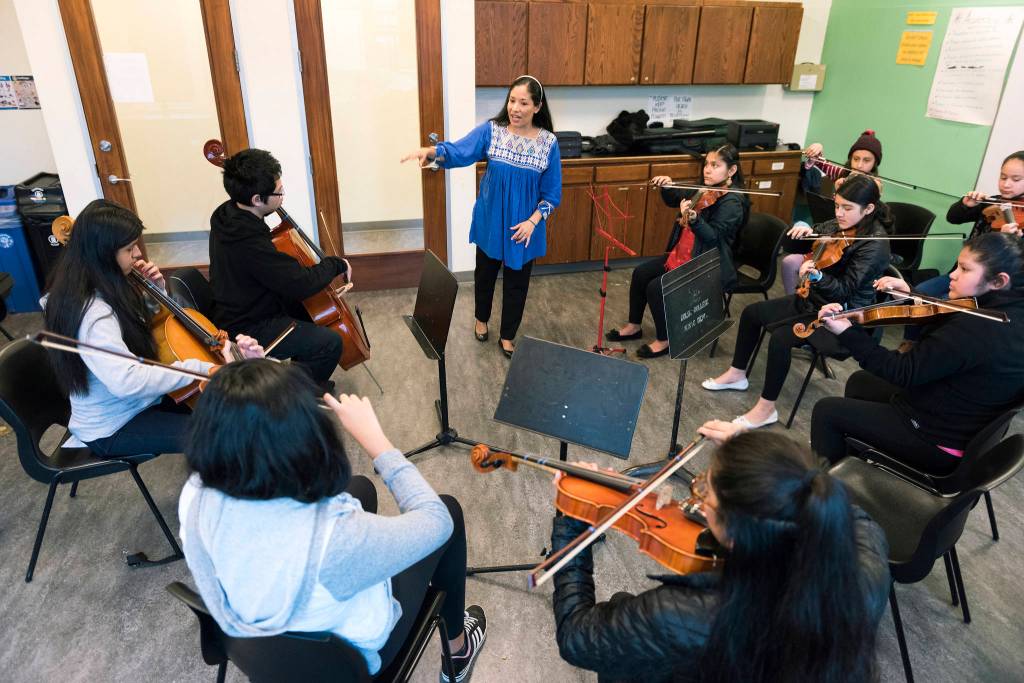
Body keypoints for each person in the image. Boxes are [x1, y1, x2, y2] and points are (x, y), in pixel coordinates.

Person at [179, 360, 487, 682]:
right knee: (449, 510)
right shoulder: (338, 540)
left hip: (259, 646)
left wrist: (249, 374)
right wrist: (377, 442)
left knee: (361, 488)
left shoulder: (196, 494)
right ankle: (458, 650)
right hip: (352, 662)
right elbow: (436, 522)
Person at [549, 420, 890, 683]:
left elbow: (576, 637)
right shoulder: (864, 571)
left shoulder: (680, 614)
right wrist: (763, 461)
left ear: (736, 534)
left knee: (621, 610)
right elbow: (837, 504)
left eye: (704, 493)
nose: (696, 497)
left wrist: (573, 518)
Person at [42, 199, 262, 457]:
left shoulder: (99, 284)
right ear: (102, 255)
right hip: (114, 424)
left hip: (138, 402)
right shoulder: (91, 313)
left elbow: (136, 333)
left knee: (233, 409)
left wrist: (154, 292)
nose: (137, 254)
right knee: (227, 434)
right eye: (129, 248)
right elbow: (128, 380)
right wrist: (202, 368)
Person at [812, 232, 1024, 476]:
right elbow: (947, 326)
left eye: (965, 269)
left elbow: (903, 372)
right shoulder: (1007, 308)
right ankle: (855, 462)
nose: (953, 275)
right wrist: (913, 295)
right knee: (862, 383)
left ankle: (824, 500)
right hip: (959, 413)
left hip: (935, 439)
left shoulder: (979, 329)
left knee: (827, 411)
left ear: (999, 281)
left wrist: (847, 332)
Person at [703, 175, 892, 429]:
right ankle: (738, 374)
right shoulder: (841, 224)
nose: (839, 213)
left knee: (781, 338)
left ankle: (766, 409)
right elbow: (807, 237)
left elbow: (845, 291)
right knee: (751, 313)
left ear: (868, 209)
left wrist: (817, 275)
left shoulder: (875, 245)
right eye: (837, 205)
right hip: (813, 301)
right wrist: (801, 229)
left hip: (842, 318)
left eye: (847, 208)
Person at [402, 75, 561, 358]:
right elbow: (461, 150)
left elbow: (552, 195)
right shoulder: (492, 131)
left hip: (523, 229)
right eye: (512, 100)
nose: (515, 108)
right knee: (485, 276)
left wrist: (532, 222)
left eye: (524, 103)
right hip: (491, 221)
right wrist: (432, 151)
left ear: (537, 107)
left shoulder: (549, 143)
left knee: (517, 284)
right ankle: (481, 318)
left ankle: (508, 335)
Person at [209, 148, 350, 389]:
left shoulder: (227, 213)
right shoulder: (247, 240)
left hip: (245, 302)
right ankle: (293, 394)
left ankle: (296, 369)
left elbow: (281, 274)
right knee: (330, 342)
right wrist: (337, 264)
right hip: (249, 324)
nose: (282, 196)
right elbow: (299, 284)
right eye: (279, 192)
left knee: (314, 313)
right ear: (256, 199)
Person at [606, 145, 750, 359]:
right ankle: (633, 326)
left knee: (657, 287)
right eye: (707, 164)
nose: (707, 170)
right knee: (641, 273)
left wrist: (694, 219)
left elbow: (713, 238)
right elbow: (676, 197)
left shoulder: (733, 202)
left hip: (709, 264)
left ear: (731, 171)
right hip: (685, 253)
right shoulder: (704, 189)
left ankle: (665, 339)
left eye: (715, 165)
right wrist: (668, 185)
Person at [893, 150, 1024, 349]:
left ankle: (930, 350)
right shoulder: (992, 203)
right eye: (1003, 177)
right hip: (958, 273)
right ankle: (910, 343)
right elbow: (954, 217)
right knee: (918, 296)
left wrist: (1010, 240)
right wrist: (965, 204)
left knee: (940, 310)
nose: (1006, 184)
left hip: (986, 287)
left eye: (1016, 179)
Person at [785, 130, 885, 294]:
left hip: (847, 245)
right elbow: (819, 162)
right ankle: (795, 299)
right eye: (856, 159)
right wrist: (817, 148)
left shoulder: (874, 185)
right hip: (832, 230)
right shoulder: (842, 174)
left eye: (866, 161)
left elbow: (873, 203)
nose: (859, 165)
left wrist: (848, 191)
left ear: (875, 163)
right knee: (793, 251)